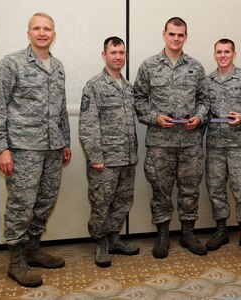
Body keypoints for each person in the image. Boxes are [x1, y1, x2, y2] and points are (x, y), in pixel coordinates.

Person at [0, 12, 71, 287]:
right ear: (29, 33)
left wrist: (65, 141)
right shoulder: (13, 63)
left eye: (47, 29)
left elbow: (60, 110)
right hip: (23, 149)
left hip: (52, 149)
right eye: (37, 28)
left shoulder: (57, 67)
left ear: (54, 35)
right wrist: (2, 149)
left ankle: (33, 248)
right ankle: (16, 259)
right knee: (21, 204)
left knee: (45, 202)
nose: (42, 33)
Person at [133, 17, 209, 259]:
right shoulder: (149, 66)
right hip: (160, 143)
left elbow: (205, 101)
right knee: (161, 191)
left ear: (186, 36)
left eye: (181, 34)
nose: (176, 38)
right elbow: (138, 99)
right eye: (172, 34)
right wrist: (155, 117)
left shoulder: (196, 67)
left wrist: (198, 117)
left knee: (190, 190)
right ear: (164, 34)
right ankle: (163, 235)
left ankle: (188, 233)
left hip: (190, 143)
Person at [79, 37, 139, 268]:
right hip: (104, 160)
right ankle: (101, 241)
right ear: (104, 55)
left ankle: (114, 238)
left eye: (122, 52)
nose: (118, 56)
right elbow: (88, 124)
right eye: (113, 52)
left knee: (123, 201)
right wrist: (95, 157)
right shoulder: (94, 86)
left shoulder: (128, 87)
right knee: (101, 203)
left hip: (127, 158)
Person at [204, 39, 241, 256]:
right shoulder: (206, 81)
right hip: (215, 145)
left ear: (234, 54)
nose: (223, 55)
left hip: (240, 144)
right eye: (218, 51)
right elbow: (201, 108)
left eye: (227, 51)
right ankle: (221, 230)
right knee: (215, 189)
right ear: (214, 54)